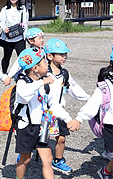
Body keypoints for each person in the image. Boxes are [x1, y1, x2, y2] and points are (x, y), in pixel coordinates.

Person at [14, 47, 73, 179]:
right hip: (26, 127)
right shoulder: (23, 82)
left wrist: (68, 119)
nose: (47, 65)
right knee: (25, 159)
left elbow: (53, 105)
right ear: (35, 68)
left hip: (42, 126)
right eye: (44, 63)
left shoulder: (46, 82)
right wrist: (41, 82)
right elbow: (23, 95)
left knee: (47, 159)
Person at [44, 38, 90, 174]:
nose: (64, 57)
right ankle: (24, 157)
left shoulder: (64, 74)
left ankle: (58, 160)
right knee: (38, 139)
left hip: (59, 111)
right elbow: (51, 102)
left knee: (62, 138)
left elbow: (75, 89)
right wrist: (68, 118)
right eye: (61, 54)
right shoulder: (43, 74)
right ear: (50, 56)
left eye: (65, 54)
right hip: (44, 112)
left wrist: (90, 99)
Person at [68, 47, 113, 178]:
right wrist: (78, 118)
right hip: (111, 126)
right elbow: (92, 105)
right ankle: (106, 172)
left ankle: (107, 171)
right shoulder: (105, 87)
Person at [0, 0, 29, 74]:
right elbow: (2, 21)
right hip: (8, 37)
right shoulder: (5, 9)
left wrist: (25, 36)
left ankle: (24, 72)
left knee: (22, 56)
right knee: (6, 57)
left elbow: (25, 23)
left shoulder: (23, 9)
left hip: (19, 37)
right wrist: (4, 28)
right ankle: (4, 73)